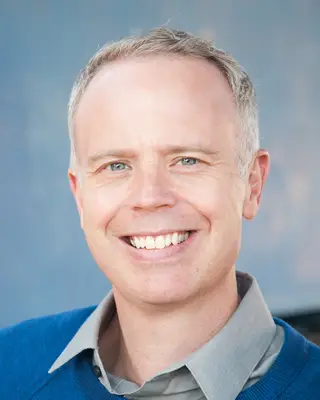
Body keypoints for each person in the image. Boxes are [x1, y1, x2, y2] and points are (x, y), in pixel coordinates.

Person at [1, 27, 319, 400]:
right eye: (116, 166)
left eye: (187, 160)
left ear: (252, 184)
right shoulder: (8, 369)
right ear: (80, 197)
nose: (150, 197)